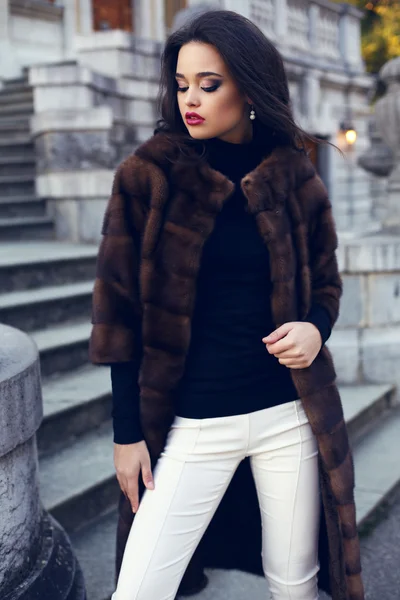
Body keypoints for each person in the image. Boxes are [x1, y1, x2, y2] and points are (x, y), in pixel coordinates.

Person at [89, 9, 364, 600]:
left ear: (249, 85)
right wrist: (126, 432)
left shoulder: (294, 172)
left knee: (296, 585)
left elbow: (326, 282)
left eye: (209, 85)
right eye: (182, 84)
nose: (191, 99)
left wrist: (315, 328)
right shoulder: (148, 176)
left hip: (288, 413)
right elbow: (118, 313)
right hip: (193, 422)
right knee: (138, 589)